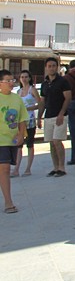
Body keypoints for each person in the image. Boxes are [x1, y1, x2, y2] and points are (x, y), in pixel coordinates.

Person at [38, 57, 71, 177]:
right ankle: (55, 167)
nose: (51, 68)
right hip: (48, 116)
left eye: (53, 66)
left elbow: (68, 98)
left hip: (60, 115)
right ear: (46, 68)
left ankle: (62, 167)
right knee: (51, 143)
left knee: (57, 141)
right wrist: (39, 117)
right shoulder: (44, 84)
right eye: (49, 66)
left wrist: (62, 113)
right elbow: (42, 101)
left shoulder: (63, 81)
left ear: (57, 67)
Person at [0, 70, 26, 213]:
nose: (11, 83)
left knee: (5, 169)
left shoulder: (17, 99)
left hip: (12, 140)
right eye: (7, 81)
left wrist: (21, 134)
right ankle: (8, 202)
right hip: (0, 140)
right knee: (4, 169)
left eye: (12, 80)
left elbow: (22, 119)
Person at [13, 69, 40, 177]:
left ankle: (28, 168)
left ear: (29, 78)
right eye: (22, 77)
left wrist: (29, 108)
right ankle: (16, 169)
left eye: (25, 77)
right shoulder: (18, 92)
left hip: (30, 120)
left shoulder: (32, 90)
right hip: (20, 121)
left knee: (30, 144)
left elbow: (40, 104)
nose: (24, 79)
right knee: (19, 145)